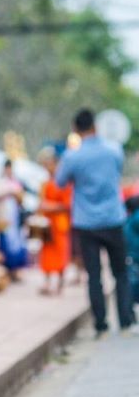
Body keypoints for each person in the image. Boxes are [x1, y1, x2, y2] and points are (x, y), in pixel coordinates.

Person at [56, 109, 134, 336]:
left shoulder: (73, 156)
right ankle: (126, 321)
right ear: (95, 126)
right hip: (113, 218)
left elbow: (60, 182)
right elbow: (116, 173)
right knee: (121, 272)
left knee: (94, 276)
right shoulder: (114, 150)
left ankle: (101, 325)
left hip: (86, 222)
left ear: (75, 129)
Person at [37, 147, 72, 296]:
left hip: (60, 223)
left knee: (61, 252)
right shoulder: (45, 183)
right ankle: (46, 281)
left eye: (51, 164)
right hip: (47, 223)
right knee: (46, 254)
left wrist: (50, 207)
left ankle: (59, 283)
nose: (49, 168)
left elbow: (68, 205)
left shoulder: (63, 183)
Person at [0, 160, 28, 280]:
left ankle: (16, 271)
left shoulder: (16, 182)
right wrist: (9, 192)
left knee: (17, 244)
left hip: (15, 217)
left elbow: (21, 200)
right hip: (4, 217)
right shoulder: (0, 182)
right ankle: (6, 271)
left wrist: (17, 195)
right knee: (5, 244)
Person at [123, 196, 139, 306]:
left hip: (132, 254)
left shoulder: (131, 219)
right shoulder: (134, 219)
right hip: (134, 254)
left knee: (133, 279)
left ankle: (134, 301)